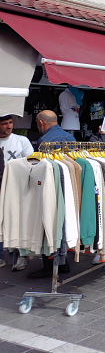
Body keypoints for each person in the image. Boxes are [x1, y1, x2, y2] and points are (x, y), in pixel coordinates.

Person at [28, 110, 75, 278]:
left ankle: (50, 266)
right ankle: (63, 262)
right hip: (68, 186)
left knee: (47, 225)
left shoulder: (44, 141)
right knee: (62, 224)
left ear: (41, 122)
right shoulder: (70, 138)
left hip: (50, 188)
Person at [0, 115, 34, 270]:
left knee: (18, 222)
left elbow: (32, 163)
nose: (9, 126)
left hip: (18, 188)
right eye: (4, 124)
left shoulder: (21, 140)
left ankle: (21, 256)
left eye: (10, 123)